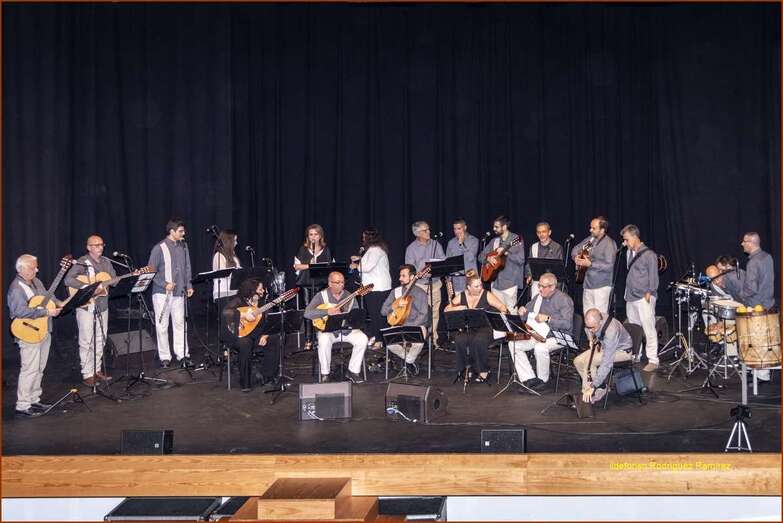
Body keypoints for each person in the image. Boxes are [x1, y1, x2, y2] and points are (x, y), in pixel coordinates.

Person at [7, 254, 63, 417]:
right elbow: (19, 311)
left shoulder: (36, 282)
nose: (37, 270)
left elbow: (48, 296)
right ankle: (23, 405)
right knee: (29, 368)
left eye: (36, 267)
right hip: (28, 331)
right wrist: (47, 311)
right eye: (33, 268)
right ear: (21, 269)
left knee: (39, 368)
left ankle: (34, 399)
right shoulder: (16, 288)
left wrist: (61, 302)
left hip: (43, 329)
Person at [63, 235, 117, 386]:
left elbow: (113, 280)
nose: (100, 247)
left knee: (101, 338)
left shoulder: (107, 261)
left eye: (101, 244)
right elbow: (68, 280)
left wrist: (123, 277)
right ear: (88, 247)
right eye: (96, 245)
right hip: (86, 306)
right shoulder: (82, 262)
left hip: (103, 306)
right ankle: (87, 373)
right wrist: (89, 287)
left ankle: (96, 368)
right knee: (87, 340)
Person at [510, 272, 574, 391]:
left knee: (540, 347)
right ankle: (529, 378)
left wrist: (548, 319)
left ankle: (542, 381)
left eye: (543, 287)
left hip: (558, 335)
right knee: (513, 344)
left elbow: (567, 324)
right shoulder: (538, 298)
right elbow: (526, 315)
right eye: (539, 285)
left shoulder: (564, 300)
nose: (539, 289)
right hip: (539, 334)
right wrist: (522, 311)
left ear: (552, 287)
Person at [304, 271, 368, 383]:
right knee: (323, 340)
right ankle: (325, 373)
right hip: (328, 331)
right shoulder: (321, 296)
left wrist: (350, 317)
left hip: (346, 331)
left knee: (363, 339)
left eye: (342, 282)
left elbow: (356, 315)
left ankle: (353, 371)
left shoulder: (349, 296)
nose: (341, 285)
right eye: (337, 282)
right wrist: (327, 311)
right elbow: (307, 313)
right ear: (330, 283)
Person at [148, 218, 194, 368]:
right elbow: (150, 272)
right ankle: (165, 357)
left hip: (179, 292)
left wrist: (188, 285)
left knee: (180, 323)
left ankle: (182, 355)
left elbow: (187, 267)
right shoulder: (159, 248)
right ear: (172, 231)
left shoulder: (183, 246)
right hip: (161, 293)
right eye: (180, 231)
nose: (184, 233)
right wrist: (164, 284)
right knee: (162, 325)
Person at [444, 273, 508, 382]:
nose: (480, 288)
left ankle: (483, 370)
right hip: (468, 327)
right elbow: (446, 309)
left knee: (479, 340)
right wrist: (459, 307)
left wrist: (500, 316)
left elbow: (503, 307)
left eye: (480, 285)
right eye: (476, 286)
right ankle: (465, 369)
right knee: (460, 339)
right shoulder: (462, 295)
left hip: (485, 328)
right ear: (469, 287)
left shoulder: (486, 294)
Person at [222, 279, 281, 392]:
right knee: (245, 343)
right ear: (251, 290)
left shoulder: (265, 303)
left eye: (263, 289)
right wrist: (243, 315)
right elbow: (226, 312)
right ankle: (245, 382)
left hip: (258, 335)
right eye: (260, 289)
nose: (263, 291)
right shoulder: (239, 300)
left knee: (275, 339)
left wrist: (266, 335)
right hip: (240, 335)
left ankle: (267, 376)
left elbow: (271, 322)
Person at [620, 224, 660, 372]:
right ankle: (636, 354)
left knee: (648, 328)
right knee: (634, 328)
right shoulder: (628, 253)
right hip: (630, 296)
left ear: (635, 237)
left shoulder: (649, 254)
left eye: (626, 239)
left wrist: (649, 292)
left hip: (644, 297)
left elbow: (654, 277)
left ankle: (653, 359)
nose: (624, 242)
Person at [380, 264, 430, 374]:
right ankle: (410, 361)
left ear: (412, 277)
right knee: (388, 341)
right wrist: (395, 305)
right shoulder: (395, 292)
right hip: (398, 325)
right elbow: (383, 311)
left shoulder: (420, 293)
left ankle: (407, 361)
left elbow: (424, 315)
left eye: (403, 276)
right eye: (400, 276)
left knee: (419, 339)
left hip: (416, 325)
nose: (400, 278)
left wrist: (409, 327)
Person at [576, 308, 633, 404]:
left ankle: (589, 393)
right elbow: (588, 329)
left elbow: (607, 363)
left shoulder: (611, 331)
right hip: (604, 346)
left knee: (590, 363)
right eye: (588, 327)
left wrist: (593, 386)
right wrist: (590, 339)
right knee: (578, 361)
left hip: (622, 352)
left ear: (600, 321)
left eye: (593, 328)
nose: (591, 330)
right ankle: (602, 387)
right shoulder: (595, 318)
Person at [350, 227, 392, 348]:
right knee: (374, 314)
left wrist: (356, 266)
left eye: (364, 237)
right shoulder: (373, 250)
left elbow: (367, 267)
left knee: (377, 315)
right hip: (374, 288)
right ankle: (376, 335)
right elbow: (369, 262)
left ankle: (380, 340)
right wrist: (359, 259)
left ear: (368, 238)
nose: (362, 239)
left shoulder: (375, 250)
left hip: (377, 288)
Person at [405, 221, 446, 340]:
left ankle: (433, 339)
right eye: (425, 230)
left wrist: (439, 267)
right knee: (420, 313)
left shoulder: (436, 244)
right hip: (420, 286)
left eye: (428, 229)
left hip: (435, 284)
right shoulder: (411, 249)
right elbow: (410, 269)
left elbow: (443, 260)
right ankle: (419, 339)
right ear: (417, 233)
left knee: (434, 312)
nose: (429, 232)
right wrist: (419, 273)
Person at [478, 215, 525, 313]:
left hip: (510, 283)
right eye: (494, 226)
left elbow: (521, 260)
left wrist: (507, 253)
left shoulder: (516, 239)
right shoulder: (494, 241)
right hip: (495, 283)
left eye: (496, 227)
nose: (494, 229)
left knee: (511, 313)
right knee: (497, 313)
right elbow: (480, 256)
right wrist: (488, 258)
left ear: (504, 227)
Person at [571, 216, 617, 315]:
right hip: (587, 285)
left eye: (594, 228)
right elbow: (575, 249)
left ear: (602, 230)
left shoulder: (609, 243)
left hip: (601, 287)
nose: (590, 229)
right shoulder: (590, 239)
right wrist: (576, 258)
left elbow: (609, 266)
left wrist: (590, 264)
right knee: (587, 315)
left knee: (599, 317)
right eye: (590, 227)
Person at [734, 232, 775, 310]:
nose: (742, 244)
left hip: (756, 307)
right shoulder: (768, 256)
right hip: (769, 304)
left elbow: (751, 289)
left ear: (751, 243)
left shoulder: (753, 262)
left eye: (744, 241)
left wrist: (739, 295)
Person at [525, 222, 564, 299]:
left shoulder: (557, 248)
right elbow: (529, 265)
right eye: (539, 232)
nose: (541, 235)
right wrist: (529, 275)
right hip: (537, 284)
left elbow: (558, 269)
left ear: (549, 232)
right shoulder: (533, 247)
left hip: (550, 285)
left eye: (544, 232)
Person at [293, 224, 333, 292]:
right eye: (311, 234)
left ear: (320, 236)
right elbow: (296, 267)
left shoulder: (326, 250)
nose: (313, 237)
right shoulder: (303, 249)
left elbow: (331, 267)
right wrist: (310, 265)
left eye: (316, 234)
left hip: (322, 285)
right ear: (308, 237)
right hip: (305, 285)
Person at [445, 218, 480, 293]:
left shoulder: (473, 240)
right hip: (457, 281)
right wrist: (449, 280)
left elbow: (470, 257)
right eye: (455, 229)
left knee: (472, 304)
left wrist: (461, 244)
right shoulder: (451, 243)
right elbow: (448, 262)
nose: (457, 231)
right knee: (459, 303)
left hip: (471, 280)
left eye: (459, 229)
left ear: (465, 228)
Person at [212, 229, 241, 307]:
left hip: (235, 293)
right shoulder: (218, 256)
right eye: (234, 240)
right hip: (223, 294)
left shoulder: (234, 257)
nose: (236, 243)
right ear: (228, 242)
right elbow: (223, 274)